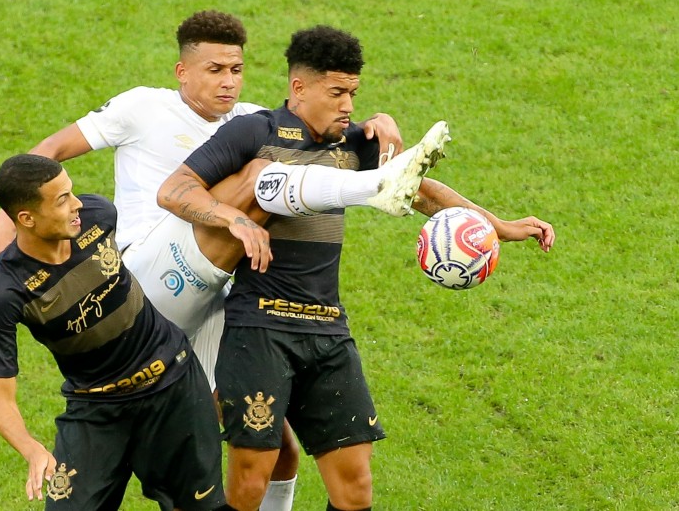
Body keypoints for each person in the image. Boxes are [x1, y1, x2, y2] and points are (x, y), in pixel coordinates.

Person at [0, 10, 401, 510]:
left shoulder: (254, 121)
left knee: (270, 440)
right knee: (263, 172)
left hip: (215, 298)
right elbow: (50, 152)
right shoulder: (141, 109)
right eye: (215, 69)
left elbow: (325, 125)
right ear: (182, 72)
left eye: (236, 70)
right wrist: (6, 224)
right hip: (146, 276)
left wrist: (376, 126)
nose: (229, 82)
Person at [157, 25, 555, 511]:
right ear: (299, 89)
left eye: (353, 93)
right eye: (337, 92)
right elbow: (175, 190)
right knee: (250, 479)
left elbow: (419, 188)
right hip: (259, 328)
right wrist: (235, 219)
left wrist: (497, 226)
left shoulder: (353, 144)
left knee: (354, 487)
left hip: (328, 330)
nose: (348, 105)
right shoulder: (253, 132)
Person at [0, 153, 239, 511]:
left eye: (71, 192)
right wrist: (32, 449)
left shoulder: (99, 216)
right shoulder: (8, 292)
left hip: (173, 385)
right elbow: (1, 400)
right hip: (96, 408)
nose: (77, 205)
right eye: (62, 201)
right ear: (26, 218)